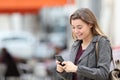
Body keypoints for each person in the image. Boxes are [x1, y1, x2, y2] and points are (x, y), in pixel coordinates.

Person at [56, 8, 112, 80]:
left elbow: (103, 74)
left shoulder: (102, 42)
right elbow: (72, 77)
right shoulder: (75, 45)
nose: (76, 31)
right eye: (73, 27)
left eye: (79, 27)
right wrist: (62, 71)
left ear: (90, 24)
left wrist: (77, 68)